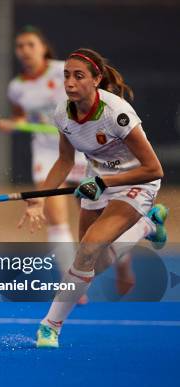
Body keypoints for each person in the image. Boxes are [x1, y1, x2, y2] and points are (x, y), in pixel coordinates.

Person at [18, 48, 168, 348]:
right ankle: (146, 227)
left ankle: (50, 326)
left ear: (96, 79)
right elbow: (63, 161)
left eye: (79, 76)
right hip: (97, 182)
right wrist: (38, 199)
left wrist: (104, 182)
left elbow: (154, 168)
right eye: (66, 76)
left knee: (88, 249)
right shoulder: (63, 113)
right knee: (91, 263)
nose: (70, 83)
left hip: (136, 182)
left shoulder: (117, 114)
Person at [0, 26, 133, 300]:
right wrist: (14, 124)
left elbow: (94, 98)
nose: (24, 51)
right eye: (19, 46)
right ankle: (73, 284)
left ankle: (123, 266)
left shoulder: (65, 71)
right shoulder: (17, 87)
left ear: (43, 48)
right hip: (49, 155)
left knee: (100, 222)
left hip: (85, 148)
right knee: (56, 219)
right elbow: (23, 116)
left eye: (30, 45)